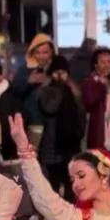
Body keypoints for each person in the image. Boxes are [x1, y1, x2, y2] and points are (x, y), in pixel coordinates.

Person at [39, 57, 87, 196]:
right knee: (52, 186)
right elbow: (49, 108)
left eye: (63, 72)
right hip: (52, 147)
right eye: (56, 72)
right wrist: (60, 90)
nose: (60, 76)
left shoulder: (75, 91)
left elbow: (81, 115)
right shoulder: (46, 91)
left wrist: (79, 133)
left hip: (71, 146)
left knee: (72, 185)